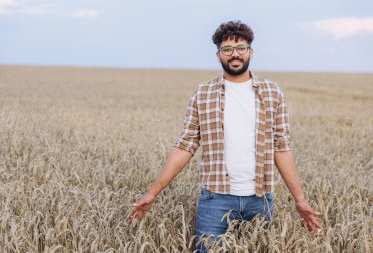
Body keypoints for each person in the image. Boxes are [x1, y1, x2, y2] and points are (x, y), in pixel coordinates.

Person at [125, 20, 323, 252]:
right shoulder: (203, 93)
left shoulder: (272, 92)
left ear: (251, 51)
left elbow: (281, 147)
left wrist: (299, 199)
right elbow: (186, 145)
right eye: (227, 49)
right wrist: (152, 193)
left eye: (241, 48)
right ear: (218, 55)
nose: (235, 54)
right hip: (215, 201)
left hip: (260, 200)